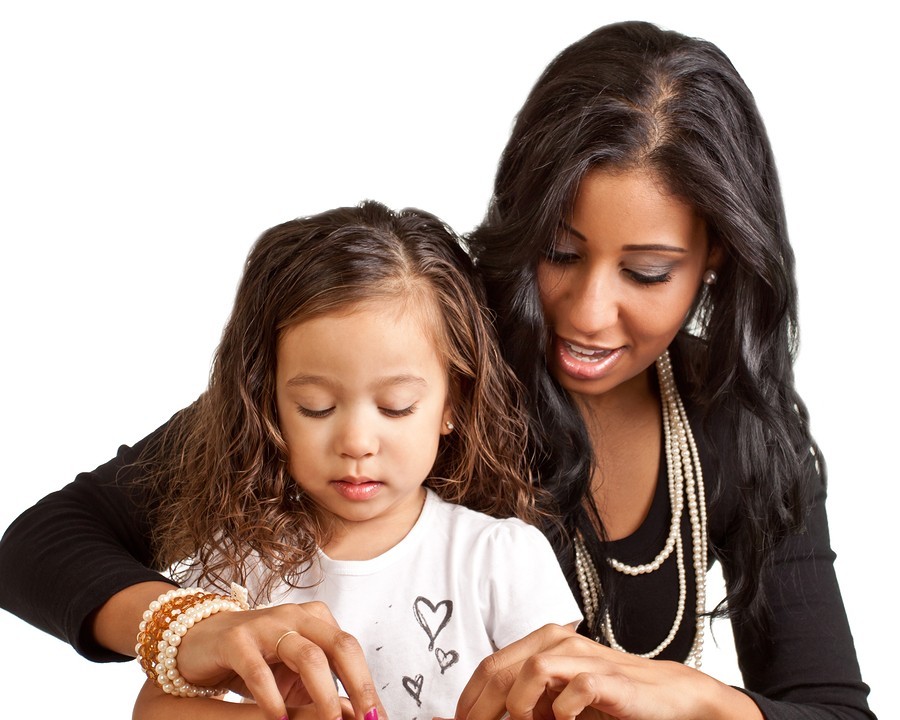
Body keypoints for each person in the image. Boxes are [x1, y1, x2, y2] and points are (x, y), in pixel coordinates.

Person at [0, 20, 874, 720]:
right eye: (559, 253)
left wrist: (704, 703)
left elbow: (834, 707)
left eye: (647, 273)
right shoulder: (415, 353)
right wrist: (188, 628)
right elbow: (42, 544)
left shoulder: (738, 433)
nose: (586, 311)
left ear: (717, 255)